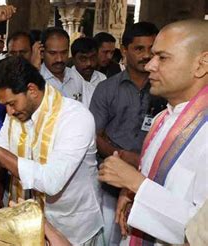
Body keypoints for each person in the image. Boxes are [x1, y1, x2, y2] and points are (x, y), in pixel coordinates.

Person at [0, 56, 104, 245]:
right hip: (27, 225)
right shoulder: (18, 114)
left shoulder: (76, 118)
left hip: (72, 227)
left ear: (31, 90)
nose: (9, 112)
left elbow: (51, 181)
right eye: (5, 105)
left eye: (11, 103)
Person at [98, 19, 207, 244]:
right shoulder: (162, 117)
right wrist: (130, 192)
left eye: (162, 57)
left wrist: (136, 183)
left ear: (201, 64)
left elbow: (200, 231)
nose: (150, 65)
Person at [90, 21, 166, 246]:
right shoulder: (107, 89)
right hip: (112, 183)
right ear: (124, 50)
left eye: (152, 50)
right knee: (111, 238)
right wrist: (124, 157)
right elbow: (95, 135)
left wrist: (143, 162)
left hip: (153, 181)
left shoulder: (164, 89)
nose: (146, 56)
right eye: (139, 49)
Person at [40, 27, 88, 104]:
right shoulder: (36, 80)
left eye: (64, 52)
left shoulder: (75, 77)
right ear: (42, 53)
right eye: (53, 53)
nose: (59, 59)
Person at [70, 37, 107, 107]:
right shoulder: (67, 80)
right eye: (83, 59)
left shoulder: (102, 78)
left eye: (93, 58)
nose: (89, 63)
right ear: (73, 59)